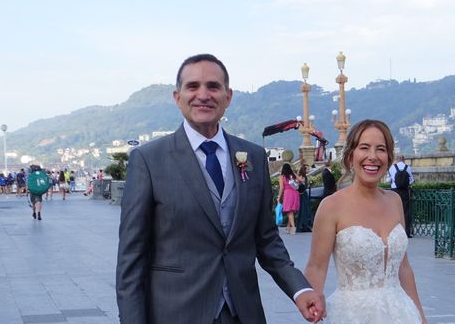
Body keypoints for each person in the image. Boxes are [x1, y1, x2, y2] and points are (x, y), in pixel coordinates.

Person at [116, 54, 325, 324]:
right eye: (193, 86)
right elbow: (131, 259)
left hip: (242, 313)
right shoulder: (149, 159)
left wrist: (300, 289)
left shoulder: (253, 156)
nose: (203, 95)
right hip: (176, 313)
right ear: (177, 96)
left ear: (228, 96)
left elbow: (267, 240)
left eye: (213, 86)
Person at [304, 119, 427, 324]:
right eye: (364, 148)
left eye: (381, 149)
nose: (372, 156)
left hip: (401, 313)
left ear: (388, 157)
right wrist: (312, 305)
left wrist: (420, 316)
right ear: (351, 155)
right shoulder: (331, 206)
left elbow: (403, 267)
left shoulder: (395, 201)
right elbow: (316, 267)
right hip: (352, 315)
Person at [388, 154, 415, 238]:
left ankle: (394, 232)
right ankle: (406, 232)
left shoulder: (392, 167)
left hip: (394, 191)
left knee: (394, 211)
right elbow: (412, 180)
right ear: (404, 160)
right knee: (406, 211)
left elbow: (388, 179)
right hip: (404, 191)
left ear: (396, 160)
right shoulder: (408, 167)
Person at [277, 163, 301, 235]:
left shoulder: (282, 177)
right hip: (295, 193)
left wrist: (279, 197)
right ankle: (288, 227)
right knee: (291, 211)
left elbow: (281, 188)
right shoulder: (293, 175)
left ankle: (293, 228)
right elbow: (300, 180)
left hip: (288, 194)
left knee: (289, 211)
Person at [296, 164, 312, 232]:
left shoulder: (304, 177)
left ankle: (304, 225)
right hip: (302, 195)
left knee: (305, 210)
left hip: (303, 194)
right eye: (307, 169)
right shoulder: (301, 177)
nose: (308, 170)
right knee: (303, 210)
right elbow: (298, 186)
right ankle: (303, 225)